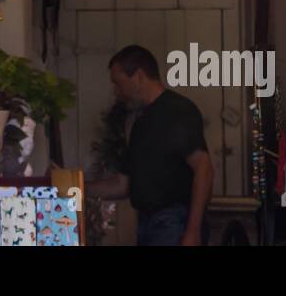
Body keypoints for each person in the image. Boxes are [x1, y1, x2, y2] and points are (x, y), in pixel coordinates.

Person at [87, 45, 213, 246]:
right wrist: (76, 187)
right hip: (148, 223)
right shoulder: (140, 122)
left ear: (137, 76)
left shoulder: (177, 111)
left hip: (173, 222)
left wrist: (193, 231)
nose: (116, 92)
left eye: (118, 83)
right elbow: (123, 185)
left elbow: (204, 169)